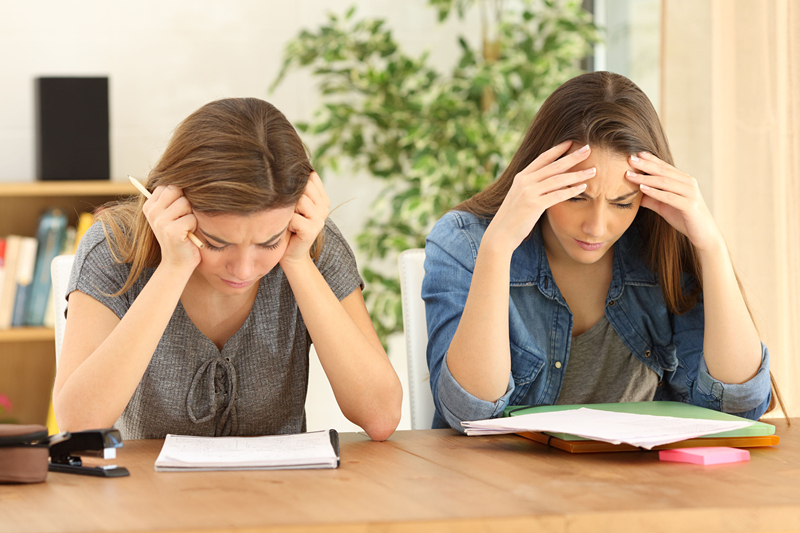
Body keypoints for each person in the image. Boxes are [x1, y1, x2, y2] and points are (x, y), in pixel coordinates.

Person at [422, 71, 778, 431]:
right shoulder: (464, 242)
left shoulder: (662, 243)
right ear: (538, 177)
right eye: (577, 197)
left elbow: (737, 407)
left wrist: (712, 248)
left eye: (622, 203)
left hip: (641, 482)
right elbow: (468, 414)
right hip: (500, 483)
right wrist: (497, 248)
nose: (597, 227)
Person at [53, 98, 402, 441]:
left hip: (283, 493)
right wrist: (175, 266)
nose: (244, 269)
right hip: (149, 494)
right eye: (217, 243)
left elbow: (381, 416)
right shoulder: (114, 248)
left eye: (268, 242)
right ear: (175, 205)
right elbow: (78, 424)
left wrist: (296, 261)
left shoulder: (311, 243)